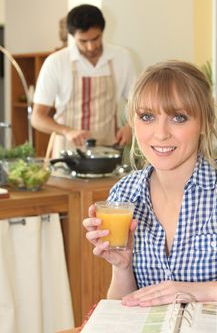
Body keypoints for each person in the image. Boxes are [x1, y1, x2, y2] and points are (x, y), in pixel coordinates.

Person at [83, 60, 217, 306]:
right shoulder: (125, 194)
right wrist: (123, 266)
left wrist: (201, 291)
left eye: (178, 117)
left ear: (205, 122)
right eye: (147, 117)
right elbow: (123, 306)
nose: (161, 133)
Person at [31, 4, 136, 156]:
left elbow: (139, 103)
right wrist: (67, 131)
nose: (91, 46)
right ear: (73, 36)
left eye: (95, 38)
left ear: (102, 31)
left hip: (108, 154)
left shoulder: (121, 58)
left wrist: (130, 126)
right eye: (83, 41)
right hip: (67, 156)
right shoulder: (56, 62)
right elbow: (37, 118)